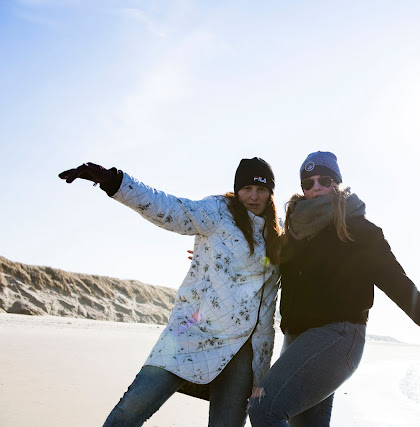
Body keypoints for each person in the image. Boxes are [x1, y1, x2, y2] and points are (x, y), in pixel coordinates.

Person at [247, 151, 420, 426]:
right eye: (308, 183)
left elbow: (397, 281)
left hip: (338, 336)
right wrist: (213, 255)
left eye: (324, 179)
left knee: (263, 407)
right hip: (296, 340)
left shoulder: (357, 229)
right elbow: (268, 260)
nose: (316, 187)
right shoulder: (294, 230)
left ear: (337, 182)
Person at [59, 158, 281, 427]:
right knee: (132, 409)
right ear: (236, 190)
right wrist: (115, 182)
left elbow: (268, 306)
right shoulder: (218, 212)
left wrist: (261, 368)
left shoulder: (277, 235)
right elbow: (170, 209)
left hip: (241, 351)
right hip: (190, 333)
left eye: (261, 189)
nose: (254, 196)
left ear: (271, 192)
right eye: (246, 188)